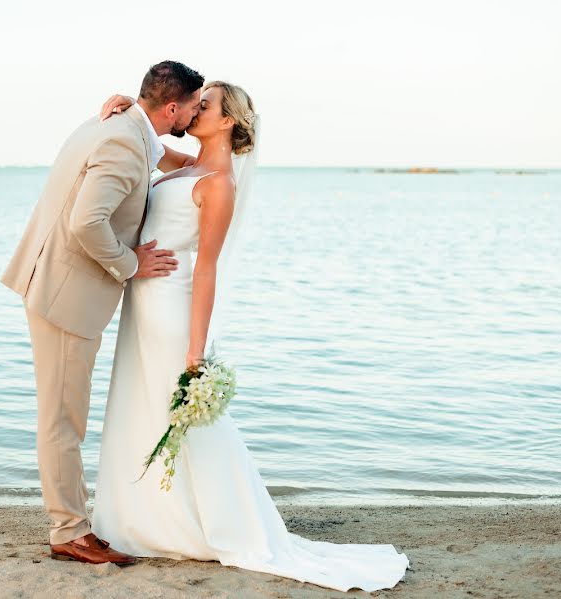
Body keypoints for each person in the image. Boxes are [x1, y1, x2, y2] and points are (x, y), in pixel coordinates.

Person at [90, 82, 410, 592]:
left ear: (227, 122)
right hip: (142, 302)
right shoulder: (186, 165)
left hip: (172, 308)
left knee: (188, 418)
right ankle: (147, 519)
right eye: (194, 101)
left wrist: (197, 349)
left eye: (205, 105)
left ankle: (226, 523)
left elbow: (207, 270)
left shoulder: (219, 183)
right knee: (140, 408)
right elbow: (147, 142)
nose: (194, 109)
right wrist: (123, 108)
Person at [0, 60, 204, 565]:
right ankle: (68, 530)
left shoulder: (120, 124)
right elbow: (85, 222)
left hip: (53, 279)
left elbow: (161, 157)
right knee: (63, 419)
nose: (199, 112)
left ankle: (70, 522)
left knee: (64, 414)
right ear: (172, 107)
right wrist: (131, 264)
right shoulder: (122, 142)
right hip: (65, 293)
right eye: (196, 105)